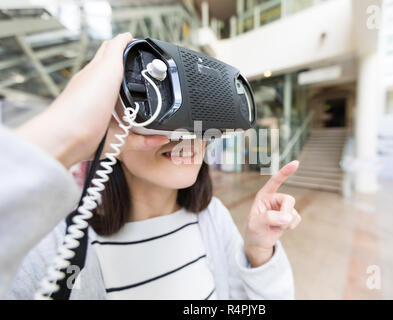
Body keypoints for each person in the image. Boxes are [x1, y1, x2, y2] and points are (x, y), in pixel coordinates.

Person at [0, 33, 301, 300]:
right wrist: (65, 136)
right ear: (116, 121)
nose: (187, 137)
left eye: (200, 120)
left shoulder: (213, 219)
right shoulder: (51, 245)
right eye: (167, 116)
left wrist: (258, 252)